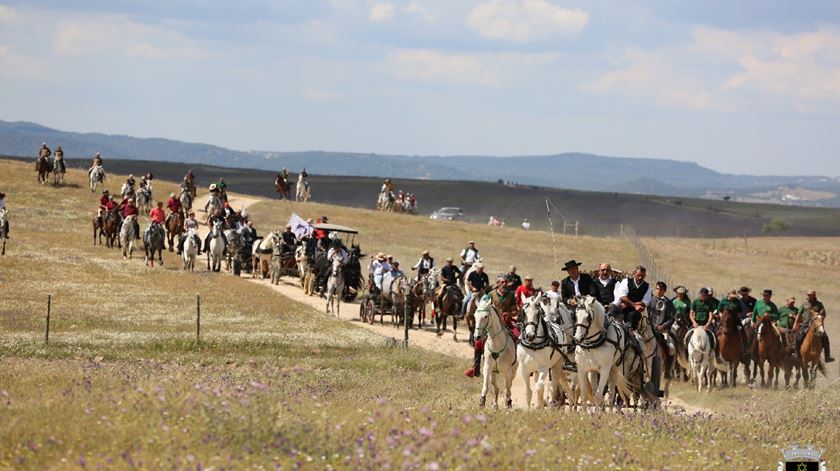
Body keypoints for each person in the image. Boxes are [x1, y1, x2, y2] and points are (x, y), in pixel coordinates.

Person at [465, 274, 518, 378]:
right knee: (478, 342)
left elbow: (515, 311)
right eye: (502, 282)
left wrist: (510, 314)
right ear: (498, 283)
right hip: (492, 323)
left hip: (507, 321)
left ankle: (518, 362)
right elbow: (483, 307)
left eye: (506, 282)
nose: (504, 284)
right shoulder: (490, 294)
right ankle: (476, 367)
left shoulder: (511, 295)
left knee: (518, 335)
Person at [648, 281, 675, 393]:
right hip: (650, 330)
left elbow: (672, 318)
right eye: (657, 288)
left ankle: (667, 370)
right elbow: (647, 314)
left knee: (672, 348)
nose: (658, 290)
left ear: (664, 290)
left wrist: (663, 326)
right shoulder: (650, 301)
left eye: (661, 289)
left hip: (663, 331)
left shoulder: (668, 303)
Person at [794, 290, 834, 362]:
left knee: (825, 338)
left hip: (816, 326)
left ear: (814, 295)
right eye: (808, 295)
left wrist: (819, 317)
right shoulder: (804, 304)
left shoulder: (819, 304)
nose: (808, 296)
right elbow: (799, 314)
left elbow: (824, 314)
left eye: (810, 295)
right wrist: (795, 324)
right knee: (797, 337)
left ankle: (827, 356)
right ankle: (796, 354)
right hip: (805, 324)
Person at [612, 265, 652, 329]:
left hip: (635, 312)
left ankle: (631, 334)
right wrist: (635, 305)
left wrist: (627, 304)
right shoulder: (626, 281)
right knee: (612, 310)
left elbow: (644, 302)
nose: (640, 278)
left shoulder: (647, 287)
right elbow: (622, 297)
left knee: (632, 315)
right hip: (622, 308)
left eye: (642, 276)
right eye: (638, 275)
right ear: (634, 274)